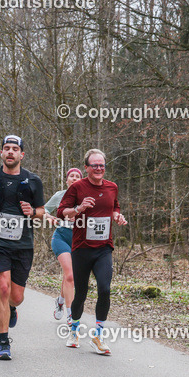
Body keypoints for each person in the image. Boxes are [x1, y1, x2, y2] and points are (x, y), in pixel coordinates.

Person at [0, 135, 45, 360]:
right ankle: (4, 343)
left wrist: (32, 212)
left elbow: (41, 211)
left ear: (21, 154)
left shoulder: (33, 181)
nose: (10, 152)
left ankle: (12, 308)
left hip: (23, 243)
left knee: (17, 296)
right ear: (1, 153)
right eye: (7, 148)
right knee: (2, 288)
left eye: (15, 148)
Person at [57, 149, 126, 354]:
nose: (98, 168)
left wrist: (117, 216)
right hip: (81, 248)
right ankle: (74, 330)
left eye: (101, 165)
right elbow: (61, 212)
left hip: (103, 248)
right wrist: (78, 208)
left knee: (105, 289)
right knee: (81, 293)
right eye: (94, 165)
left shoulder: (112, 187)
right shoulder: (77, 187)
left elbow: (115, 207)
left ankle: (98, 335)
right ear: (86, 167)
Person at [43, 167, 82, 325]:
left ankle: (60, 301)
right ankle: (71, 315)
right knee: (70, 275)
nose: (74, 178)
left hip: (79, 240)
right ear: (67, 180)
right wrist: (49, 217)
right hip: (61, 237)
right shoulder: (60, 195)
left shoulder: (86, 196)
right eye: (71, 176)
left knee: (68, 276)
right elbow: (44, 209)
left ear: (81, 180)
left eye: (77, 176)